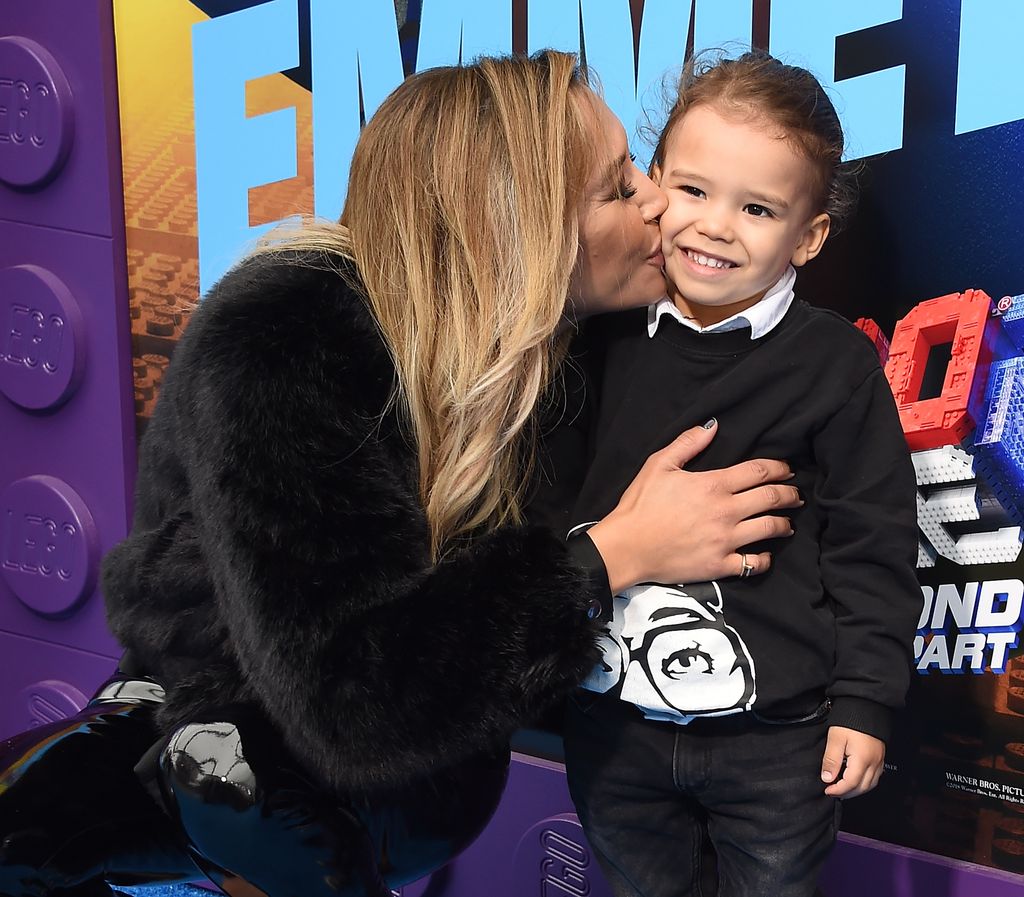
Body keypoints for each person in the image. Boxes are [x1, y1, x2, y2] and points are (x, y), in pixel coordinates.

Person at [0, 51, 800, 897]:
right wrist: (610, 557)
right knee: (140, 791)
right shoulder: (291, 333)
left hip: (394, 794)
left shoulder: (577, 351)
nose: (658, 202)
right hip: (215, 737)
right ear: (513, 224)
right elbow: (351, 693)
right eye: (616, 187)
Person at [558, 50, 921, 897]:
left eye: (756, 208)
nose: (713, 225)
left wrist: (866, 704)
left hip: (777, 739)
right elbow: (540, 506)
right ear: (651, 184)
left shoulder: (837, 367)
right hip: (612, 729)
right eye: (691, 190)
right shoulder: (594, 337)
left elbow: (875, 545)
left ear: (810, 234)